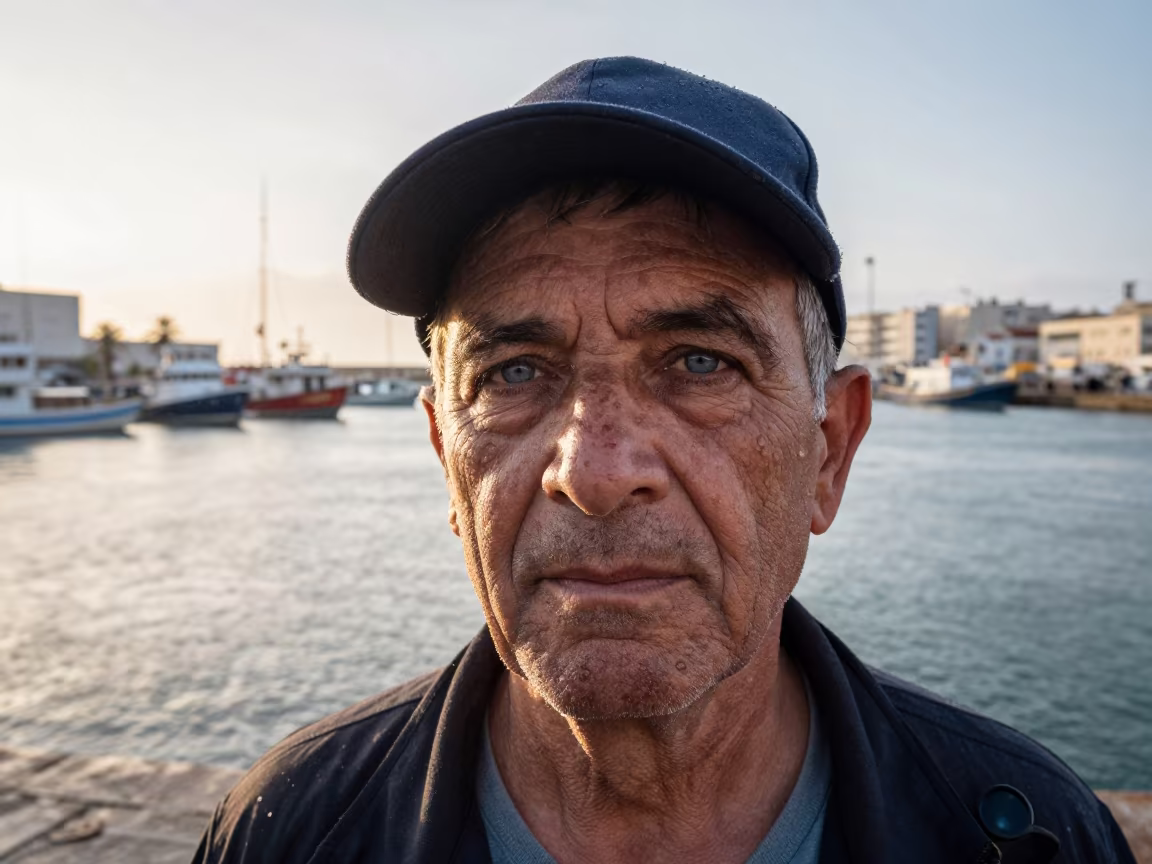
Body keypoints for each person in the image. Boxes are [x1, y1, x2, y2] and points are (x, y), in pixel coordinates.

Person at [193, 57, 1135, 864]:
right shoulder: (292, 829)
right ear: (448, 455)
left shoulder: (1027, 834)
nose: (594, 472)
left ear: (829, 452)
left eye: (699, 363)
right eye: (515, 370)